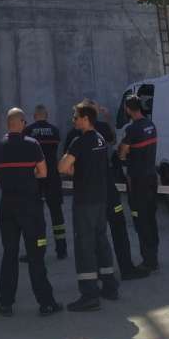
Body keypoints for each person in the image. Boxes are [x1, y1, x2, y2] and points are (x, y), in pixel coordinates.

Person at [63, 100, 148, 281]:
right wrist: (108, 119)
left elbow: (66, 165)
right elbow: (113, 141)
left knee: (92, 235)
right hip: (106, 189)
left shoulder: (74, 135)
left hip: (88, 194)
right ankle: (125, 269)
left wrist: (78, 172)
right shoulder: (100, 130)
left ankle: (99, 273)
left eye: (76, 116)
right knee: (115, 230)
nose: (74, 120)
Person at [0, 108, 62, 317]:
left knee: (9, 254)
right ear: (22, 123)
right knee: (36, 256)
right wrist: (29, 173)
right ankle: (46, 303)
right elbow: (43, 173)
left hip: (7, 206)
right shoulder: (32, 145)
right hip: (30, 207)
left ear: (8, 124)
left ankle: (5, 303)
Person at [59, 101, 118, 312]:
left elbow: (62, 167)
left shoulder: (80, 141)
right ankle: (109, 286)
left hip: (85, 201)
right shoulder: (100, 139)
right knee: (101, 241)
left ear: (85, 119)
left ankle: (89, 294)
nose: (73, 120)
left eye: (76, 117)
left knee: (84, 245)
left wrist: (70, 164)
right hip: (100, 199)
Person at [118, 95, 159, 272]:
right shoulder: (151, 125)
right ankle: (154, 256)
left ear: (128, 109)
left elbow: (122, 153)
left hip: (137, 180)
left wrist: (122, 155)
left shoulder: (132, 129)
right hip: (151, 177)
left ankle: (148, 261)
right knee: (151, 218)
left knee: (140, 220)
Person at [25, 104, 67, 259]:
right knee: (57, 213)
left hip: (35, 176)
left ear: (35, 116)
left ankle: (37, 251)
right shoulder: (54, 130)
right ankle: (61, 249)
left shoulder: (28, 131)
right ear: (46, 115)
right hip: (52, 175)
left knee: (35, 215)